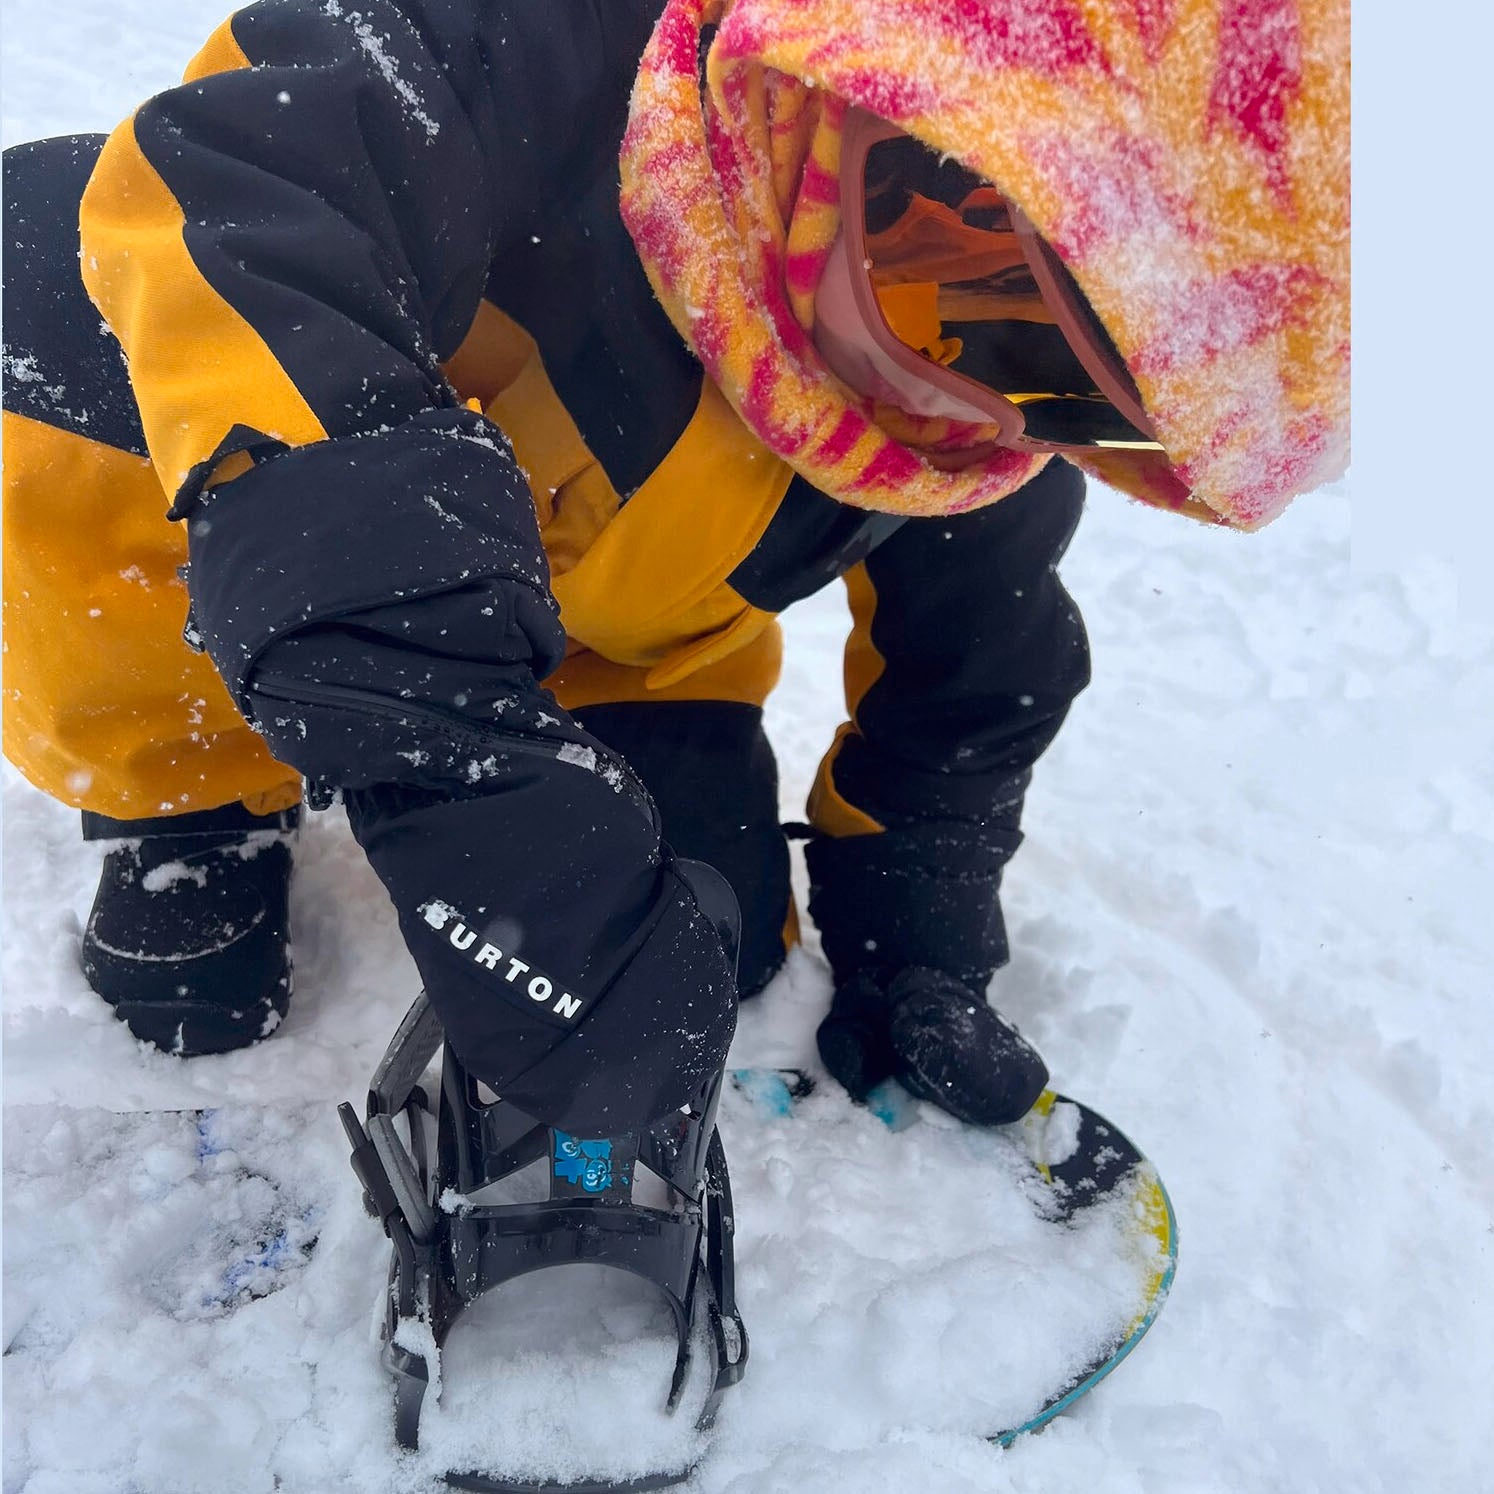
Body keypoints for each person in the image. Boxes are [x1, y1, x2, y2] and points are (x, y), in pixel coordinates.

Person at [1, 0, 1349, 1140]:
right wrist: (438, 738)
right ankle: (184, 805)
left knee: (706, 939)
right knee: (205, 956)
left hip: (622, 622)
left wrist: (915, 933)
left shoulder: (969, 434)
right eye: (966, 266)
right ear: (844, 95)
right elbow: (238, 172)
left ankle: (598, 745)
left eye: (1077, 391)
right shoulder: (536, 55)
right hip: (207, 534)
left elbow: (977, 663)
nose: (971, 391)